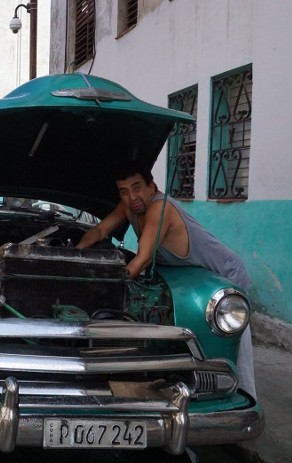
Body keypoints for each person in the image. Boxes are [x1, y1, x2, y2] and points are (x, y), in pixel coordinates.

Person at [75, 162, 256, 399]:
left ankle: (241, 396)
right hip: (186, 274)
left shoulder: (160, 208)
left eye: (137, 187)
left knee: (230, 348)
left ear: (152, 187)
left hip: (222, 275)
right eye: (124, 191)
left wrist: (107, 288)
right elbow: (99, 231)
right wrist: (75, 253)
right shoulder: (130, 207)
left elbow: (142, 259)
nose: (132, 197)